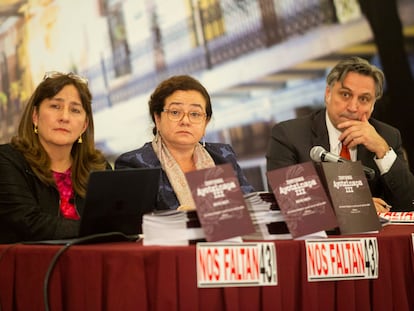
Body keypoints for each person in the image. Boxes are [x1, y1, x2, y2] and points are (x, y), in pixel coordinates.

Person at [266, 56, 414, 212]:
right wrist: (354, 206)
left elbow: (410, 202)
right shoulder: (289, 135)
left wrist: (382, 151)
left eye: (364, 99)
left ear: (372, 106)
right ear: (328, 94)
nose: (352, 107)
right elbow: (284, 201)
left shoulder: (388, 136)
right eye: (345, 95)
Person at [115, 75, 254, 210]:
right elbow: (135, 225)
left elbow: (251, 207)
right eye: (175, 112)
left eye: (195, 114)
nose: (185, 121)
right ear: (157, 118)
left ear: (206, 123)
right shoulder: (134, 164)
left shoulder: (223, 156)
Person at [0, 71, 109, 243]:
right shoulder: (7, 160)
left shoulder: (98, 168)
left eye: (75, 110)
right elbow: (29, 224)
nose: (64, 117)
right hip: (32, 266)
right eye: (55, 106)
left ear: (84, 125)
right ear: (35, 116)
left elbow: (114, 222)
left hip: (91, 264)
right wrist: (97, 227)